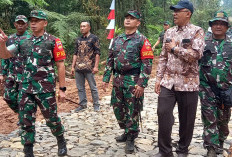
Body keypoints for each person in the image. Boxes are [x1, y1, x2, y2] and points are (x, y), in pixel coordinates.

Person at [0, 10, 67, 157]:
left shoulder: (53, 41)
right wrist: (2, 44)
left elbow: (61, 65)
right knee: (25, 121)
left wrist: (62, 89)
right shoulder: (22, 41)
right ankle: (28, 150)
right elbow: (5, 55)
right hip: (25, 88)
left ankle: (61, 140)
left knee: (52, 119)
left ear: (45, 23)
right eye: (32, 20)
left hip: (45, 89)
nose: (33, 23)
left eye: (37, 20)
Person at [154, 0, 205, 157]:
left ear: (188, 13)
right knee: (163, 113)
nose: (174, 14)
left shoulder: (197, 31)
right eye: (173, 11)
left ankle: (182, 149)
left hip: (188, 84)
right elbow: (163, 57)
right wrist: (158, 78)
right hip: (168, 82)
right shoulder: (169, 32)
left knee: (187, 120)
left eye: (178, 11)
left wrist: (176, 48)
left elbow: (196, 55)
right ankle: (165, 151)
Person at [102, 10, 154, 154]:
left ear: (138, 23)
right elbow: (110, 59)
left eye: (132, 19)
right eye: (126, 18)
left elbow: (147, 63)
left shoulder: (142, 40)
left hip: (133, 80)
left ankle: (131, 136)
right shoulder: (117, 39)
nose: (128, 20)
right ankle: (126, 129)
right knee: (117, 108)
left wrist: (142, 83)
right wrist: (106, 78)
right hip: (118, 79)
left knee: (133, 110)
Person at [199, 11, 232, 156]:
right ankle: (211, 147)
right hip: (207, 87)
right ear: (211, 26)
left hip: (226, 89)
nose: (218, 26)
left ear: (227, 27)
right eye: (215, 23)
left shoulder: (231, 44)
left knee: (223, 120)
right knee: (209, 117)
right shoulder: (202, 42)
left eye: (222, 24)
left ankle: (221, 140)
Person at [0, 15, 30, 114]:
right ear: (15, 24)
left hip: (25, 75)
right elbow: (5, 57)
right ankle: (20, 114)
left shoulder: (31, 38)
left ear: (27, 25)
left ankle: (24, 118)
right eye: (18, 23)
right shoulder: (9, 39)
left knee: (24, 99)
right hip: (12, 73)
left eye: (23, 23)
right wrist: (2, 72)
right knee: (8, 97)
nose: (20, 25)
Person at [71, 21, 101, 112]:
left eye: (84, 26)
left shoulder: (94, 38)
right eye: (81, 26)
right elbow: (75, 53)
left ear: (89, 28)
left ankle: (96, 105)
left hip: (89, 67)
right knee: (80, 88)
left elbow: (97, 53)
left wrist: (96, 66)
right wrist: (72, 66)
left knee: (93, 87)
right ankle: (83, 105)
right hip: (78, 67)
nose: (82, 28)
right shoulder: (78, 39)